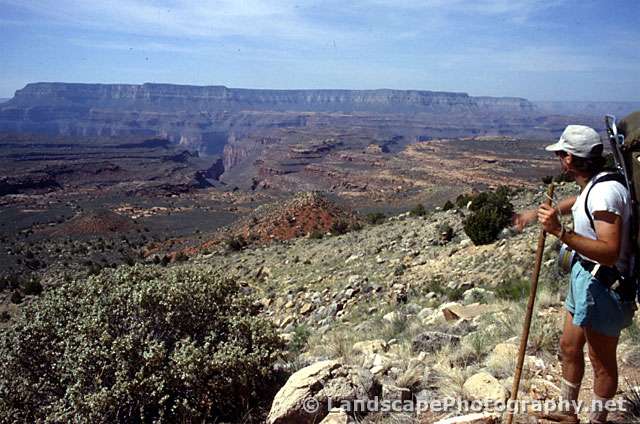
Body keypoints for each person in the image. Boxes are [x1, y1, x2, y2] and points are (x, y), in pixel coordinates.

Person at [514, 124, 636, 423]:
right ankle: (568, 410)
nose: (558, 158)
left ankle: (597, 419)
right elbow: (581, 201)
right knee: (569, 346)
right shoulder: (596, 183)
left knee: (601, 361)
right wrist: (545, 212)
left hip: (605, 286)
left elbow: (609, 250)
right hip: (585, 277)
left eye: (560, 154)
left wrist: (560, 233)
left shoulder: (606, 193)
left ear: (569, 158)